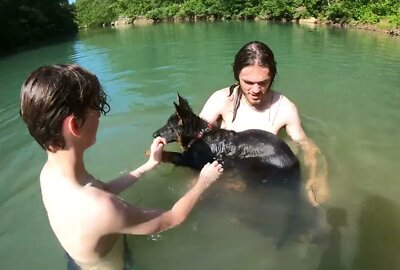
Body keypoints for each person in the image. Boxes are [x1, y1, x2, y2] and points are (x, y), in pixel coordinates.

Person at [19, 64, 223, 270]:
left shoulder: (50, 175)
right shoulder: (101, 209)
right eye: (96, 107)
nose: (99, 115)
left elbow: (100, 190)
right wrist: (203, 181)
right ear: (74, 125)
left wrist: (149, 164)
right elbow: (172, 219)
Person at [199, 41, 328, 207]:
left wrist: (319, 179)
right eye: (247, 82)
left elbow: (306, 145)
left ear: (272, 77)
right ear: (237, 75)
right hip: (222, 176)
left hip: (260, 184)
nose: (255, 90)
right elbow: (194, 134)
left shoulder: (284, 108)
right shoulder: (222, 100)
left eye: (263, 83)